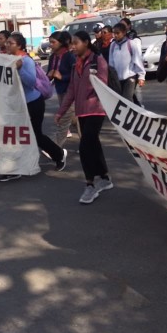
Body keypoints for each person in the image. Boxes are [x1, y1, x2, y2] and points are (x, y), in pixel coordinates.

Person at [55, 31, 112, 204]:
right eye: (72, 43)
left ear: (86, 43)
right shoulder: (76, 66)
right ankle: (104, 177)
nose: (72, 46)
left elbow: (102, 84)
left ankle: (90, 185)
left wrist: (89, 89)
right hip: (82, 111)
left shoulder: (98, 61)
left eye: (76, 43)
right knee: (93, 144)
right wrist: (61, 111)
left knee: (86, 146)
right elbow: (71, 90)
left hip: (96, 109)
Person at [4, 32, 65, 181]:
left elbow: (31, 83)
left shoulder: (26, 61)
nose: (7, 45)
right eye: (7, 42)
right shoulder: (8, 59)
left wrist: (20, 69)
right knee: (17, 134)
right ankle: (16, 167)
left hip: (33, 103)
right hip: (19, 105)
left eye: (10, 43)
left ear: (19, 46)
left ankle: (59, 155)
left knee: (35, 135)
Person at [47, 30, 77, 147]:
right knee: (75, 120)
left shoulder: (69, 57)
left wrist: (61, 76)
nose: (50, 45)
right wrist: (48, 76)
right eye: (50, 42)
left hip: (70, 93)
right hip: (60, 92)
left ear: (61, 43)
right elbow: (49, 75)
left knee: (63, 120)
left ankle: (55, 149)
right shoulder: (52, 57)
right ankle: (88, 144)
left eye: (53, 42)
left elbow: (76, 76)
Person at [108, 23, 146, 104]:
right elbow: (111, 62)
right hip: (117, 79)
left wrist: (141, 76)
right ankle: (137, 110)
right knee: (121, 100)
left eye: (118, 33)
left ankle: (133, 114)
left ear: (124, 32)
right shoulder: (113, 45)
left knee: (127, 99)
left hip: (130, 77)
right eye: (114, 33)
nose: (115, 35)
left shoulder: (131, 44)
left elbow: (138, 60)